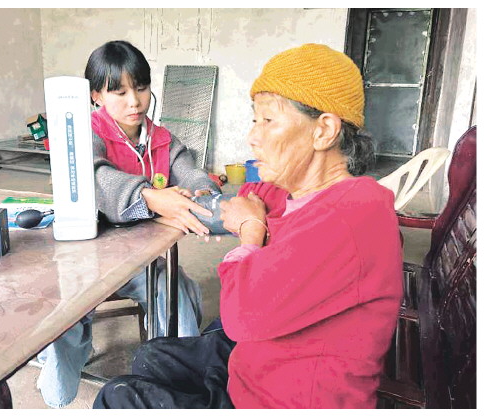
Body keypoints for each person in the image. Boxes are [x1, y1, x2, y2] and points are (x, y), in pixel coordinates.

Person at [93, 43, 404, 409]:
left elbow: (241, 315)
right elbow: (245, 198)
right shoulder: (299, 190)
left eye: (267, 121)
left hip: (283, 399)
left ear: (323, 131)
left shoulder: (351, 213)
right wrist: (158, 204)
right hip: (262, 362)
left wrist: (251, 231)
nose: (253, 136)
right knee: (153, 354)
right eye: (254, 121)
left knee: (118, 397)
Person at [36, 40, 221, 408]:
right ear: (96, 96)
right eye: (118, 92)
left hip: (139, 260)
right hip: (83, 258)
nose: (134, 102)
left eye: (141, 87)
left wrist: (203, 196)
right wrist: (151, 198)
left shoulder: (162, 139)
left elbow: (193, 175)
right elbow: (93, 177)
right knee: (63, 314)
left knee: (177, 290)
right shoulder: (82, 132)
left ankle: (178, 378)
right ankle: (58, 390)